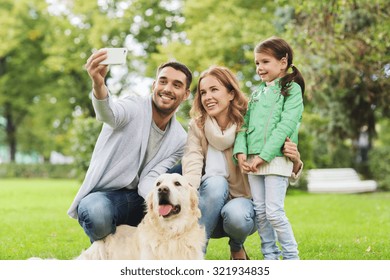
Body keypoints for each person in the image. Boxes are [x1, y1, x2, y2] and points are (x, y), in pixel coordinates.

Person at [67, 48, 192, 242]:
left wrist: (164, 199)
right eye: (163, 81)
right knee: (97, 213)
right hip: (105, 197)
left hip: (139, 200)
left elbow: (151, 178)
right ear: (154, 85)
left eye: (177, 85)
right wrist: (98, 83)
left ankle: (169, 237)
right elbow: (108, 113)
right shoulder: (133, 106)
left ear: (185, 94)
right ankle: (110, 245)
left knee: (189, 167)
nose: (167, 89)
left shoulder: (179, 139)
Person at [182, 65, 303, 260]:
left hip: (243, 208)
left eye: (214, 90)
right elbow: (192, 160)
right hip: (208, 208)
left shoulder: (250, 119)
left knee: (237, 215)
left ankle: (237, 246)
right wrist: (187, 195)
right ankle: (194, 257)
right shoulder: (198, 126)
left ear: (231, 93)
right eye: (203, 92)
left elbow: (276, 154)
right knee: (215, 182)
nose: (207, 97)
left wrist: (295, 161)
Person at [233, 37, 305, 260]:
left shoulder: (292, 90)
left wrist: (263, 156)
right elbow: (243, 127)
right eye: (257, 63)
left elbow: (286, 125)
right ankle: (270, 256)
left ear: (283, 62)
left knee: (274, 211)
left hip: (276, 159)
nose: (259, 68)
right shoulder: (256, 94)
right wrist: (241, 153)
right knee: (261, 214)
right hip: (253, 161)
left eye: (265, 62)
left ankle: (291, 257)